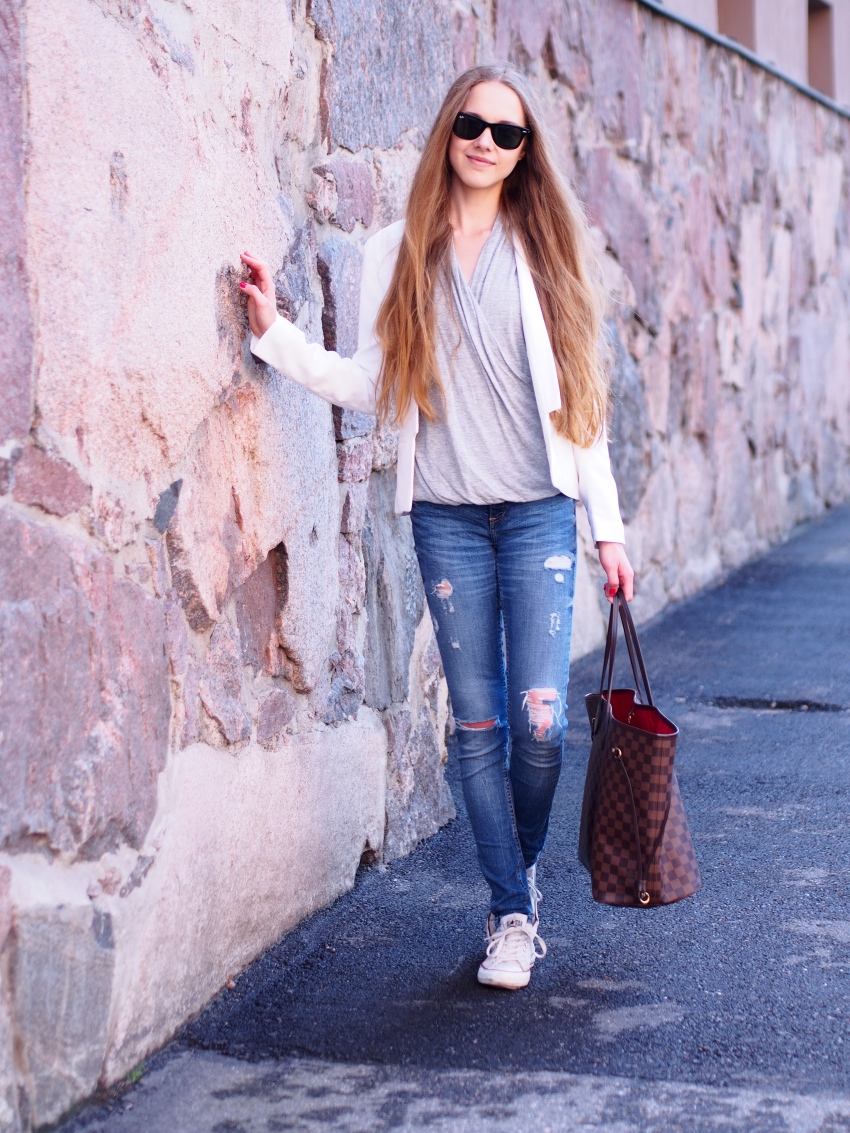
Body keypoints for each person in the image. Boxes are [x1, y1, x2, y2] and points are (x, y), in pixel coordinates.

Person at [238, 63, 633, 991]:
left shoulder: (543, 251)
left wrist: (607, 529)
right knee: (477, 723)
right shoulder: (398, 249)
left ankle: (516, 866)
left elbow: (583, 400)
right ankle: (511, 911)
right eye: (472, 124)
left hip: (539, 510)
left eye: (508, 134)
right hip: (448, 519)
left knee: (540, 725)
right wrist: (274, 334)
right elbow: (376, 384)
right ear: (447, 129)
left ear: (526, 153)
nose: (486, 144)